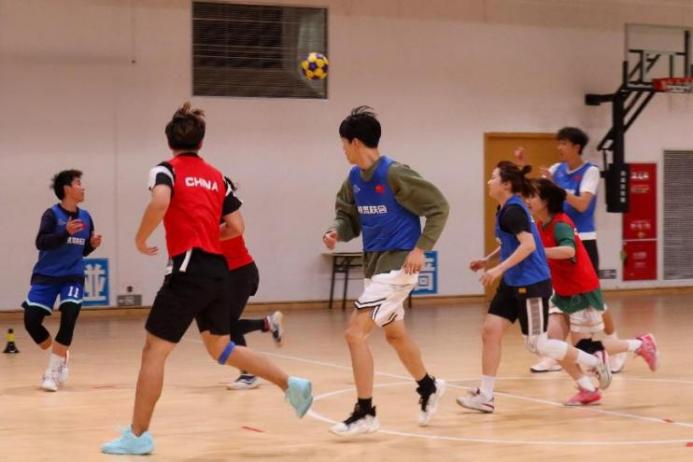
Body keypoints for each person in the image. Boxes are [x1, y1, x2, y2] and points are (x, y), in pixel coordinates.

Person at [101, 103, 312, 455]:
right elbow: (237, 226)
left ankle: (137, 436)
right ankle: (291, 385)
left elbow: (160, 202)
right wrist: (207, 236)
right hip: (219, 271)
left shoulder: (165, 170)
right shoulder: (217, 177)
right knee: (221, 348)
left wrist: (140, 239)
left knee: (154, 351)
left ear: (170, 142)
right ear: (201, 142)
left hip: (188, 269)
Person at [323, 106, 449, 436]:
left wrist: (421, 248)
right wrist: (337, 231)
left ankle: (365, 412)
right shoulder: (354, 180)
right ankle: (428, 386)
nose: (342, 150)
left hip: (398, 267)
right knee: (395, 335)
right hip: (375, 267)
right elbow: (347, 217)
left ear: (354, 142)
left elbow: (439, 207)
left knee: (355, 333)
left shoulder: (395, 174)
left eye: (343, 143)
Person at [456, 161, 611, 414]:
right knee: (490, 331)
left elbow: (528, 246)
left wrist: (497, 269)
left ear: (506, 184)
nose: (489, 181)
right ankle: (486, 395)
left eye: (494, 177)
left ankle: (593, 361)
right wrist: (488, 260)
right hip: (512, 282)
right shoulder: (505, 208)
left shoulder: (514, 211)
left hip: (530, 283)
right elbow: (511, 242)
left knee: (538, 345)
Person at [526, 178, 659, 405]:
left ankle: (641, 344)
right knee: (553, 343)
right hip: (562, 291)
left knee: (584, 348)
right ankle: (587, 388)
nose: (527, 200)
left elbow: (568, 250)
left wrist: (540, 252)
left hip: (582, 290)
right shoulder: (539, 225)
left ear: (546, 201)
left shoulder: (560, 224)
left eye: (532, 196)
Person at [516, 131, 627, 373]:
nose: (559, 147)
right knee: (555, 295)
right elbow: (537, 193)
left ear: (577, 147)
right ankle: (555, 354)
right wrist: (522, 166)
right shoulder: (556, 169)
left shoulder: (590, 171)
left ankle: (615, 346)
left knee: (594, 298)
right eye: (559, 143)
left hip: (582, 239)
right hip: (554, 237)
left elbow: (582, 204)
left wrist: (556, 187)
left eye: (564, 143)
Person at [22, 169, 102, 392]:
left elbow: (81, 251)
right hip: (47, 276)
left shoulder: (86, 217)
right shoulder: (51, 215)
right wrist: (64, 232)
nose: (83, 187)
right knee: (31, 321)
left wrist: (91, 246)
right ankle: (60, 355)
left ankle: (52, 372)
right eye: (78, 183)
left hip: (72, 277)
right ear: (67, 189)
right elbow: (41, 242)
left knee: (69, 316)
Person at [219, 182, 285, 390]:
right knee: (225, 325)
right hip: (230, 275)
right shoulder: (214, 216)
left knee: (228, 326)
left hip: (241, 274)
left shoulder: (224, 218)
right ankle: (267, 323)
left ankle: (248, 375)